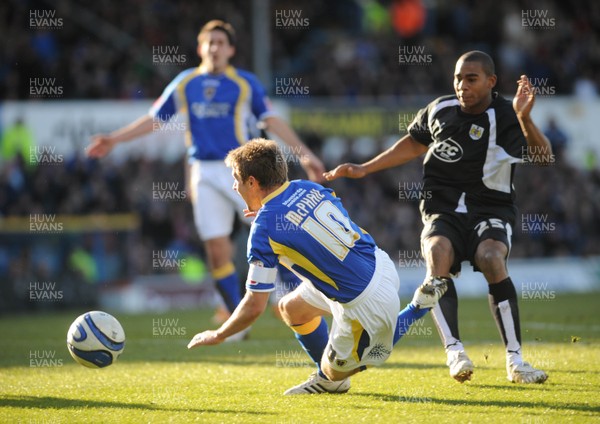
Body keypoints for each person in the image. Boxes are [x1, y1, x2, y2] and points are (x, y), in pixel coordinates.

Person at [325, 51, 550, 384]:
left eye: (471, 79)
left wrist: (526, 119)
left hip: (490, 208)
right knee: (437, 256)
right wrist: (365, 168)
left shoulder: (507, 116)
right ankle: (455, 351)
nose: (462, 85)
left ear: (491, 81)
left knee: (491, 257)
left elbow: (543, 159)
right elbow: (414, 143)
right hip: (441, 209)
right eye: (458, 78)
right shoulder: (440, 109)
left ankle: (516, 361)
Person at [87, 20, 325, 331]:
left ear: (231, 50)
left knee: (278, 235)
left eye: (220, 42)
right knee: (216, 249)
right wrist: (115, 140)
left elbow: (272, 121)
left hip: (245, 172)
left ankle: (306, 298)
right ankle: (235, 321)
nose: (214, 47)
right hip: (203, 171)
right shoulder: (186, 83)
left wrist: (306, 156)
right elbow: (155, 119)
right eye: (209, 42)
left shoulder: (244, 83)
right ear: (200, 48)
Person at [187, 138, 448, 394]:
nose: (234, 186)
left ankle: (415, 309)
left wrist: (220, 334)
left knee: (344, 368)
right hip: (378, 263)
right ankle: (327, 375)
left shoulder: (264, 227)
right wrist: (269, 215)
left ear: (253, 182)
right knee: (290, 308)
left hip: (365, 302)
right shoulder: (308, 187)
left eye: (236, 179)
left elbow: (255, 305)